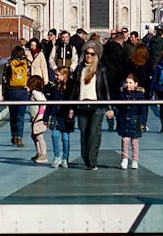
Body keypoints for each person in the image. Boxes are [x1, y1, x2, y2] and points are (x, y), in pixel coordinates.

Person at [67, 41, 114, 170]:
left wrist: (109, 108)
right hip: (81, 105)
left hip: (96, 106)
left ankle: (92, 161)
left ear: (96, 55)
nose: (89, 56)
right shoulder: (79, 68)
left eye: (92, 54)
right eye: (87, 53)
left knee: (94, 133)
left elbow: (105, 89)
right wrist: (71, 107)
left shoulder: (101, 69)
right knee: (84, 133)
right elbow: (74, 89)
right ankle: (86, 159)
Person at [3, 45, 32, 147]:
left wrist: (4, 92)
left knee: (13, 115)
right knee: (20, 116)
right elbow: (29, 77)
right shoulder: (27, 63)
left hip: (11, 91)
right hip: (23, 91)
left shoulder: (9, 64)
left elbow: (4, 78)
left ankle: (14, 136)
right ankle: (20, 137)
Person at [45, 65, 74, 167]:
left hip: (66, 116)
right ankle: (57, 156)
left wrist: (72, 111)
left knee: (65, 137)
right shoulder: (54, 88)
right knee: (55, 135)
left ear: (64, 75)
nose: (56, 77)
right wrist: (46, 116)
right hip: (56, 115)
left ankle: (65, 158)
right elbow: (50, 103)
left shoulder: (70, 88)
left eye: (58, 75)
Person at [115, 73, 145, 169]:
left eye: (130, 83)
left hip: (136, 119)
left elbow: (143, 110)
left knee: (134, 141)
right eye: (127, 82)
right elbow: (118, 108)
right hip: (124, 119)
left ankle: (135, 160)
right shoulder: (121, 94)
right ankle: (125, 158)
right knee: (125, 139)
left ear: (136, 84)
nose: (128, 85)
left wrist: (143, 122)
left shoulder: (140, 96)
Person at [27, 75, 50, 164]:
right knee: (34, 135)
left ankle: (43, 154)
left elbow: (43, 104)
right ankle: (39, 152)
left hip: (38, 118)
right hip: (34, 117)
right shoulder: (36, 92)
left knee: (39, 136)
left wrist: (40, 116)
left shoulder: (35, 93)